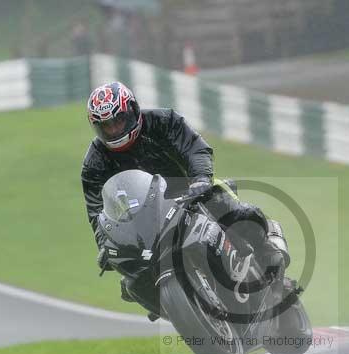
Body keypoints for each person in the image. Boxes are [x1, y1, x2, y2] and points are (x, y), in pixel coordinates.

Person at [80, 81, 289, 303]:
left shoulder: (164, 121)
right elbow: (97, 212)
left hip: (190, 191)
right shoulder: (95, 162)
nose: (114, 130)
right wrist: (105, 244)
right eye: (107, 126)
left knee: (230, 208)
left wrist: (200, 179)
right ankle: (185, 310)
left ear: (132, 110)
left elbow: (195, 148)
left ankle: (267, 254)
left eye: (119, 121)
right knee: (130, 285)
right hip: (144, 218)